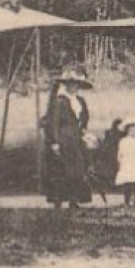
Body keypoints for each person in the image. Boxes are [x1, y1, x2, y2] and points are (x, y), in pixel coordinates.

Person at [43, 65, 93, 209]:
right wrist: (55, 141)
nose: (74, 87)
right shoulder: (60, 101)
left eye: (77, 84)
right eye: (71, 84)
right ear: (66, 85)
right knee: (60, 170)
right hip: (63, 137)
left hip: (76, 138)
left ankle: (74, 200)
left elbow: (84, 119)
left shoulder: (80, 101)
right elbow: (53, 122)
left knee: (77, 170)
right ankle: (58, 200)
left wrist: (84, 131)